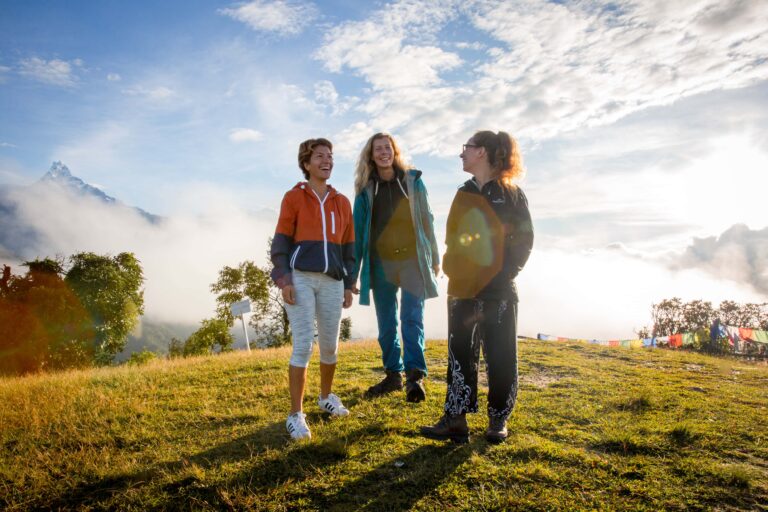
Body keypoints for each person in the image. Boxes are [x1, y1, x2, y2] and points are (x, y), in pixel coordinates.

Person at [420, 130, 533, 443]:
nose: (462, 153)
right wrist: (454, 268)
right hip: (462, 290)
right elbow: (452, 236)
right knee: (460, 355)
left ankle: (498, 420)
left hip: (499, 291)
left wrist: (504, 273)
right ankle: (455, 419)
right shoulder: (462, 192)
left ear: (482, 152)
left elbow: (524, 239)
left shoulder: (511, 194)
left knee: (500, 356)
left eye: (466, 148)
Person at [271, 138, 355, 440]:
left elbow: (349, 248)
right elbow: (280, 241)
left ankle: (326, 398)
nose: (327, 161)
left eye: (330, 157)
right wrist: (284, 279)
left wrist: (349, 283)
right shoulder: (294, 198)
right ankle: (295, 414)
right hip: (301, 278)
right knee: (304, 344)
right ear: (306, 164)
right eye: (319, 156)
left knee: (330, 345)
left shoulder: (342, 202)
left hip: (333, 281)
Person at [351, 133, 440, 402]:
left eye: (387, 148)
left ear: (394, 151)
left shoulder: (412, 181)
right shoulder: (366, 190)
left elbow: (427, 219)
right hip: (381, 264)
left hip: (413, 260)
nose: (383, 152)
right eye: (377, 149)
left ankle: (415, 378)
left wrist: (435, 257)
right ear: (371, 155)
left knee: (412, 319)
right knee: (387, 323)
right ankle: (393, 376)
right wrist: (351, 275)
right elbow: (357, 234)